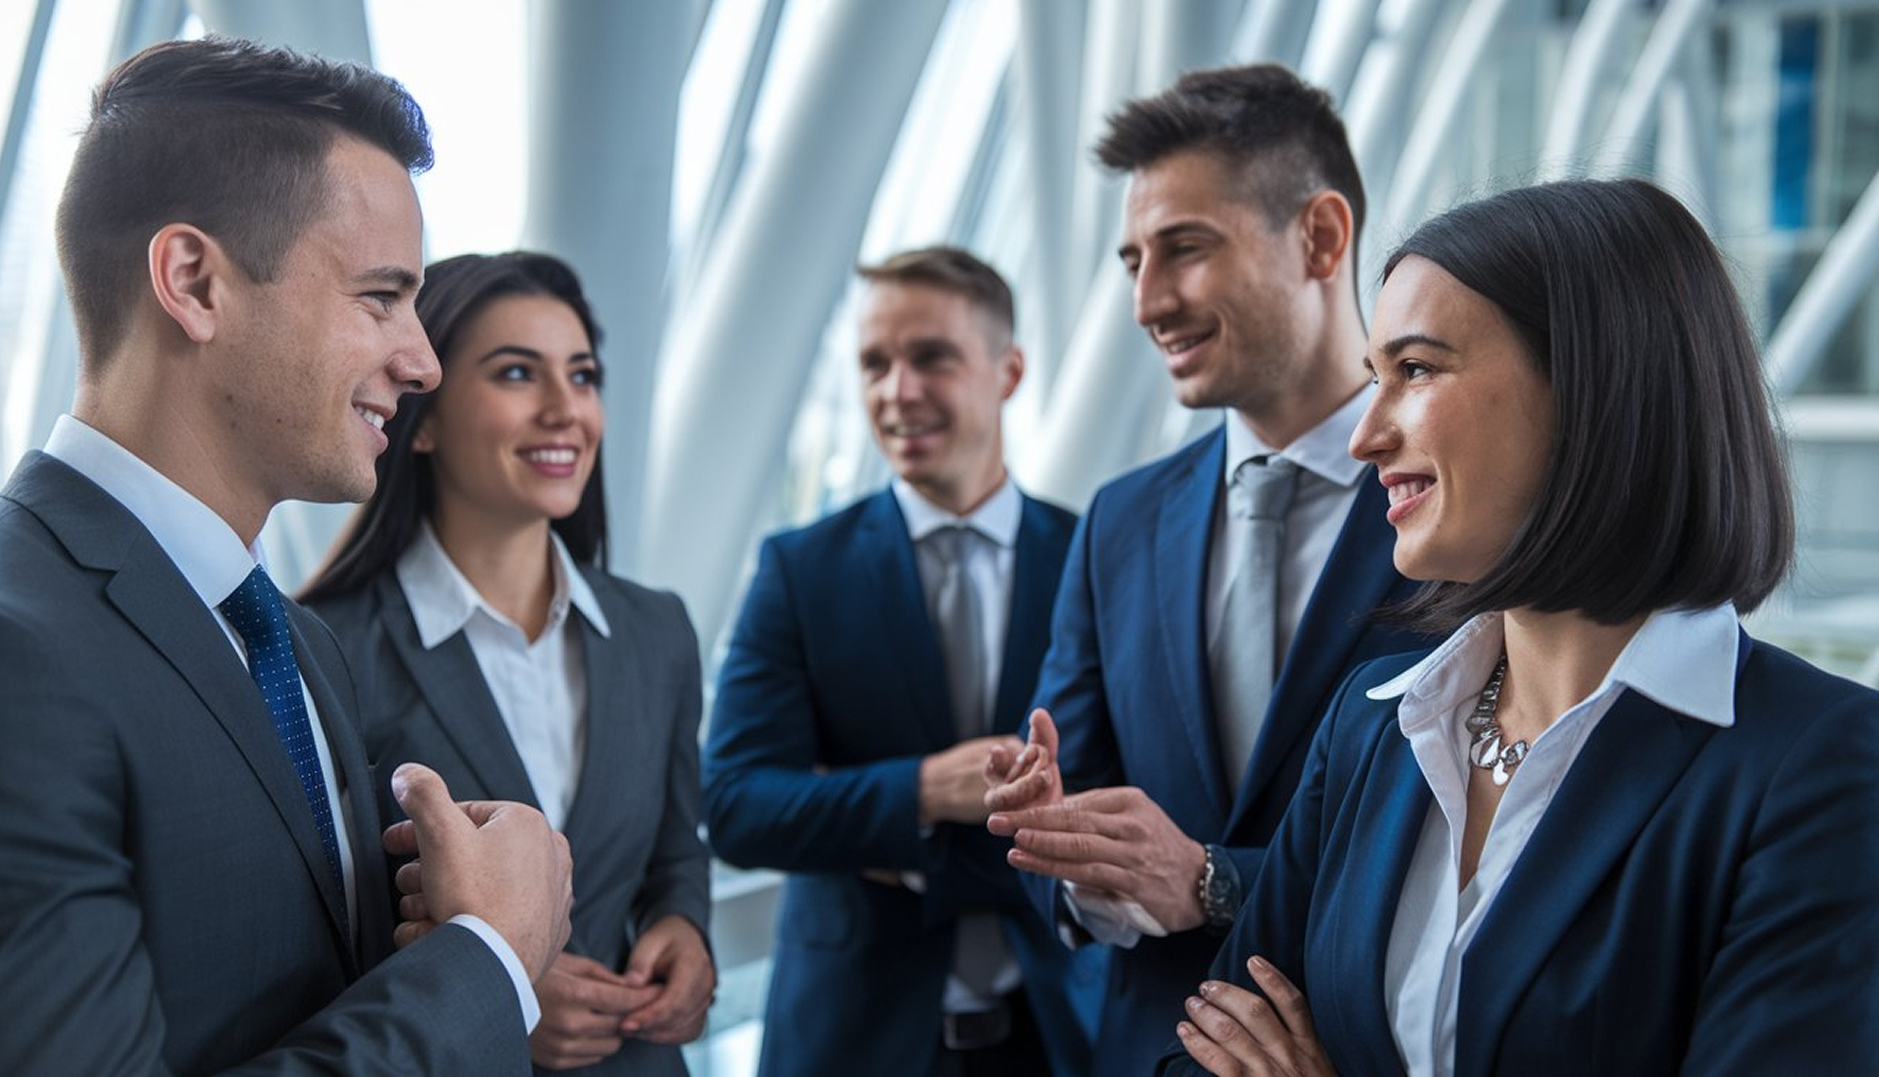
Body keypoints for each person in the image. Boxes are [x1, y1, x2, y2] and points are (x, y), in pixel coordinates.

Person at [1158, 178, 1879, 1076]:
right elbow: (1208, 1049)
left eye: (1416, 370)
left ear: (1595, 388)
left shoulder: (1821, 766)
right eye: (1374, 378)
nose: (1364, 436)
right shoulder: (1372, 724)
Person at [0, 37, 573, 1075]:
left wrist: (440, 908)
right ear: (194, 282)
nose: (423, 360)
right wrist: (486, 960)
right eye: (380, 297)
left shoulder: (290, 638)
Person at [981, 65, 1432, 1075]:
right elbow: (1069, 807)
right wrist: (1071, 850)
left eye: (1184, 248)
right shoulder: (1120, 519)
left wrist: (1213, 880)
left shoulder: (1457, 502)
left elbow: (1478, 841)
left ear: (1320, 238)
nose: (1147, 301)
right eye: (1133, 260)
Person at [299, 251, 713, 1075]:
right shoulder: (322, 647)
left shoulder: (657, 629)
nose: (566, 409)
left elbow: (676, 848)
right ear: (424, 418)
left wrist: (685, 926)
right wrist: (494, 992)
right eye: (518, 373)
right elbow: (310, 936)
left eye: (582, 376)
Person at [704, 246, 1095, 1076]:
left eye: (931, 357)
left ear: (1009, 371)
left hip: (1057, 1035)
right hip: (851, 1042)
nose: (897, 390)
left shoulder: (1092, 556)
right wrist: (922, 790)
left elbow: (1115, 795)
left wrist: (883, 836)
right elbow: (736, 803)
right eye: (875, 363)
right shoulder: (801, 569)